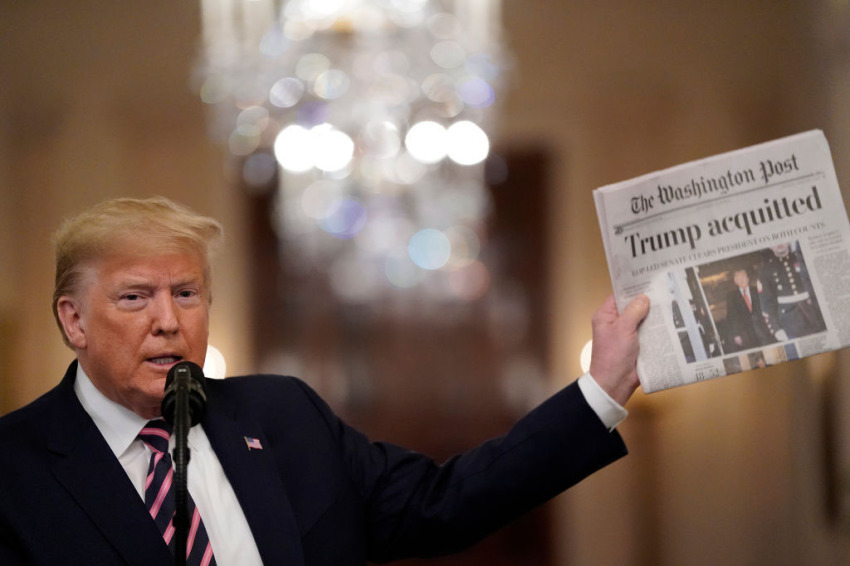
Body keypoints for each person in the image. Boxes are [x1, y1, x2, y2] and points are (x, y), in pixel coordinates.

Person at [0, 197, 650, 565]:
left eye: (187, 292)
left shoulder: (283, 415)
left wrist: (600, 393)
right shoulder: (15, 469)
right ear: (74, 319)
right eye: (136, 298)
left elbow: (440, 504)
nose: (169, 322)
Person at [758, 243, 826, 341]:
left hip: (814, 314)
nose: (779, 243)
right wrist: (776, 329)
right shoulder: (766, 271)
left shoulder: (803, 260)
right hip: (789, 321)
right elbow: (767, 304)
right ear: (769, 246)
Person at [724, 269, 774, 352]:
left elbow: (768, 307)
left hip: (763, 330)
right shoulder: (731, 297)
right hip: (746, 334)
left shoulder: (757, 291)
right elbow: (731, 317)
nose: (742, 280)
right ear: (735, 281)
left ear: (748, 278)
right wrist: (736, 335)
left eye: (743, 277)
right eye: (738, 278)